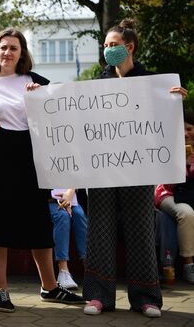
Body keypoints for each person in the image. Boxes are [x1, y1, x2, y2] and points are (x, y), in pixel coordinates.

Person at [0, 27, 84, 313]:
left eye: (14, 48)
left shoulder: (35, 82)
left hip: (30, 158)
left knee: (38, 222)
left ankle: (50, 287)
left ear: (22, 53)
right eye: (3, 47)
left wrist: (39, 99)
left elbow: (58, 120)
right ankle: (1, 291)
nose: (8, 52)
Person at [82, 18, 187, 318]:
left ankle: (146, 298)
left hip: (138, 169)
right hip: (102, 169)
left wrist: (173, 101)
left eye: (113, 45)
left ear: (130, 47)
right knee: (99, 229)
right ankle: (98, 296)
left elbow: (163, 124)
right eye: (105, 46)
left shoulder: (152, 83)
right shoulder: (98, 83)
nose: (108, 51)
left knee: (140, 228)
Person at [154, 109, 194, 284]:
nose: (186, 134)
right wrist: (182, 164)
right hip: (167, 194)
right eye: (182, 129)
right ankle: (188, 265)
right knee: (186, 214)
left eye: (190, 129)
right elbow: (167, 183)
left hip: (188, 196)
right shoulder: (168, 146)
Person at [49, 188, 88, 290]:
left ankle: (90, 269)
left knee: (79, 215)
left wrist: (69, 193)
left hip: (71, 197)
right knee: (62, 216)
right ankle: (63, 271)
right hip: (49, 199)